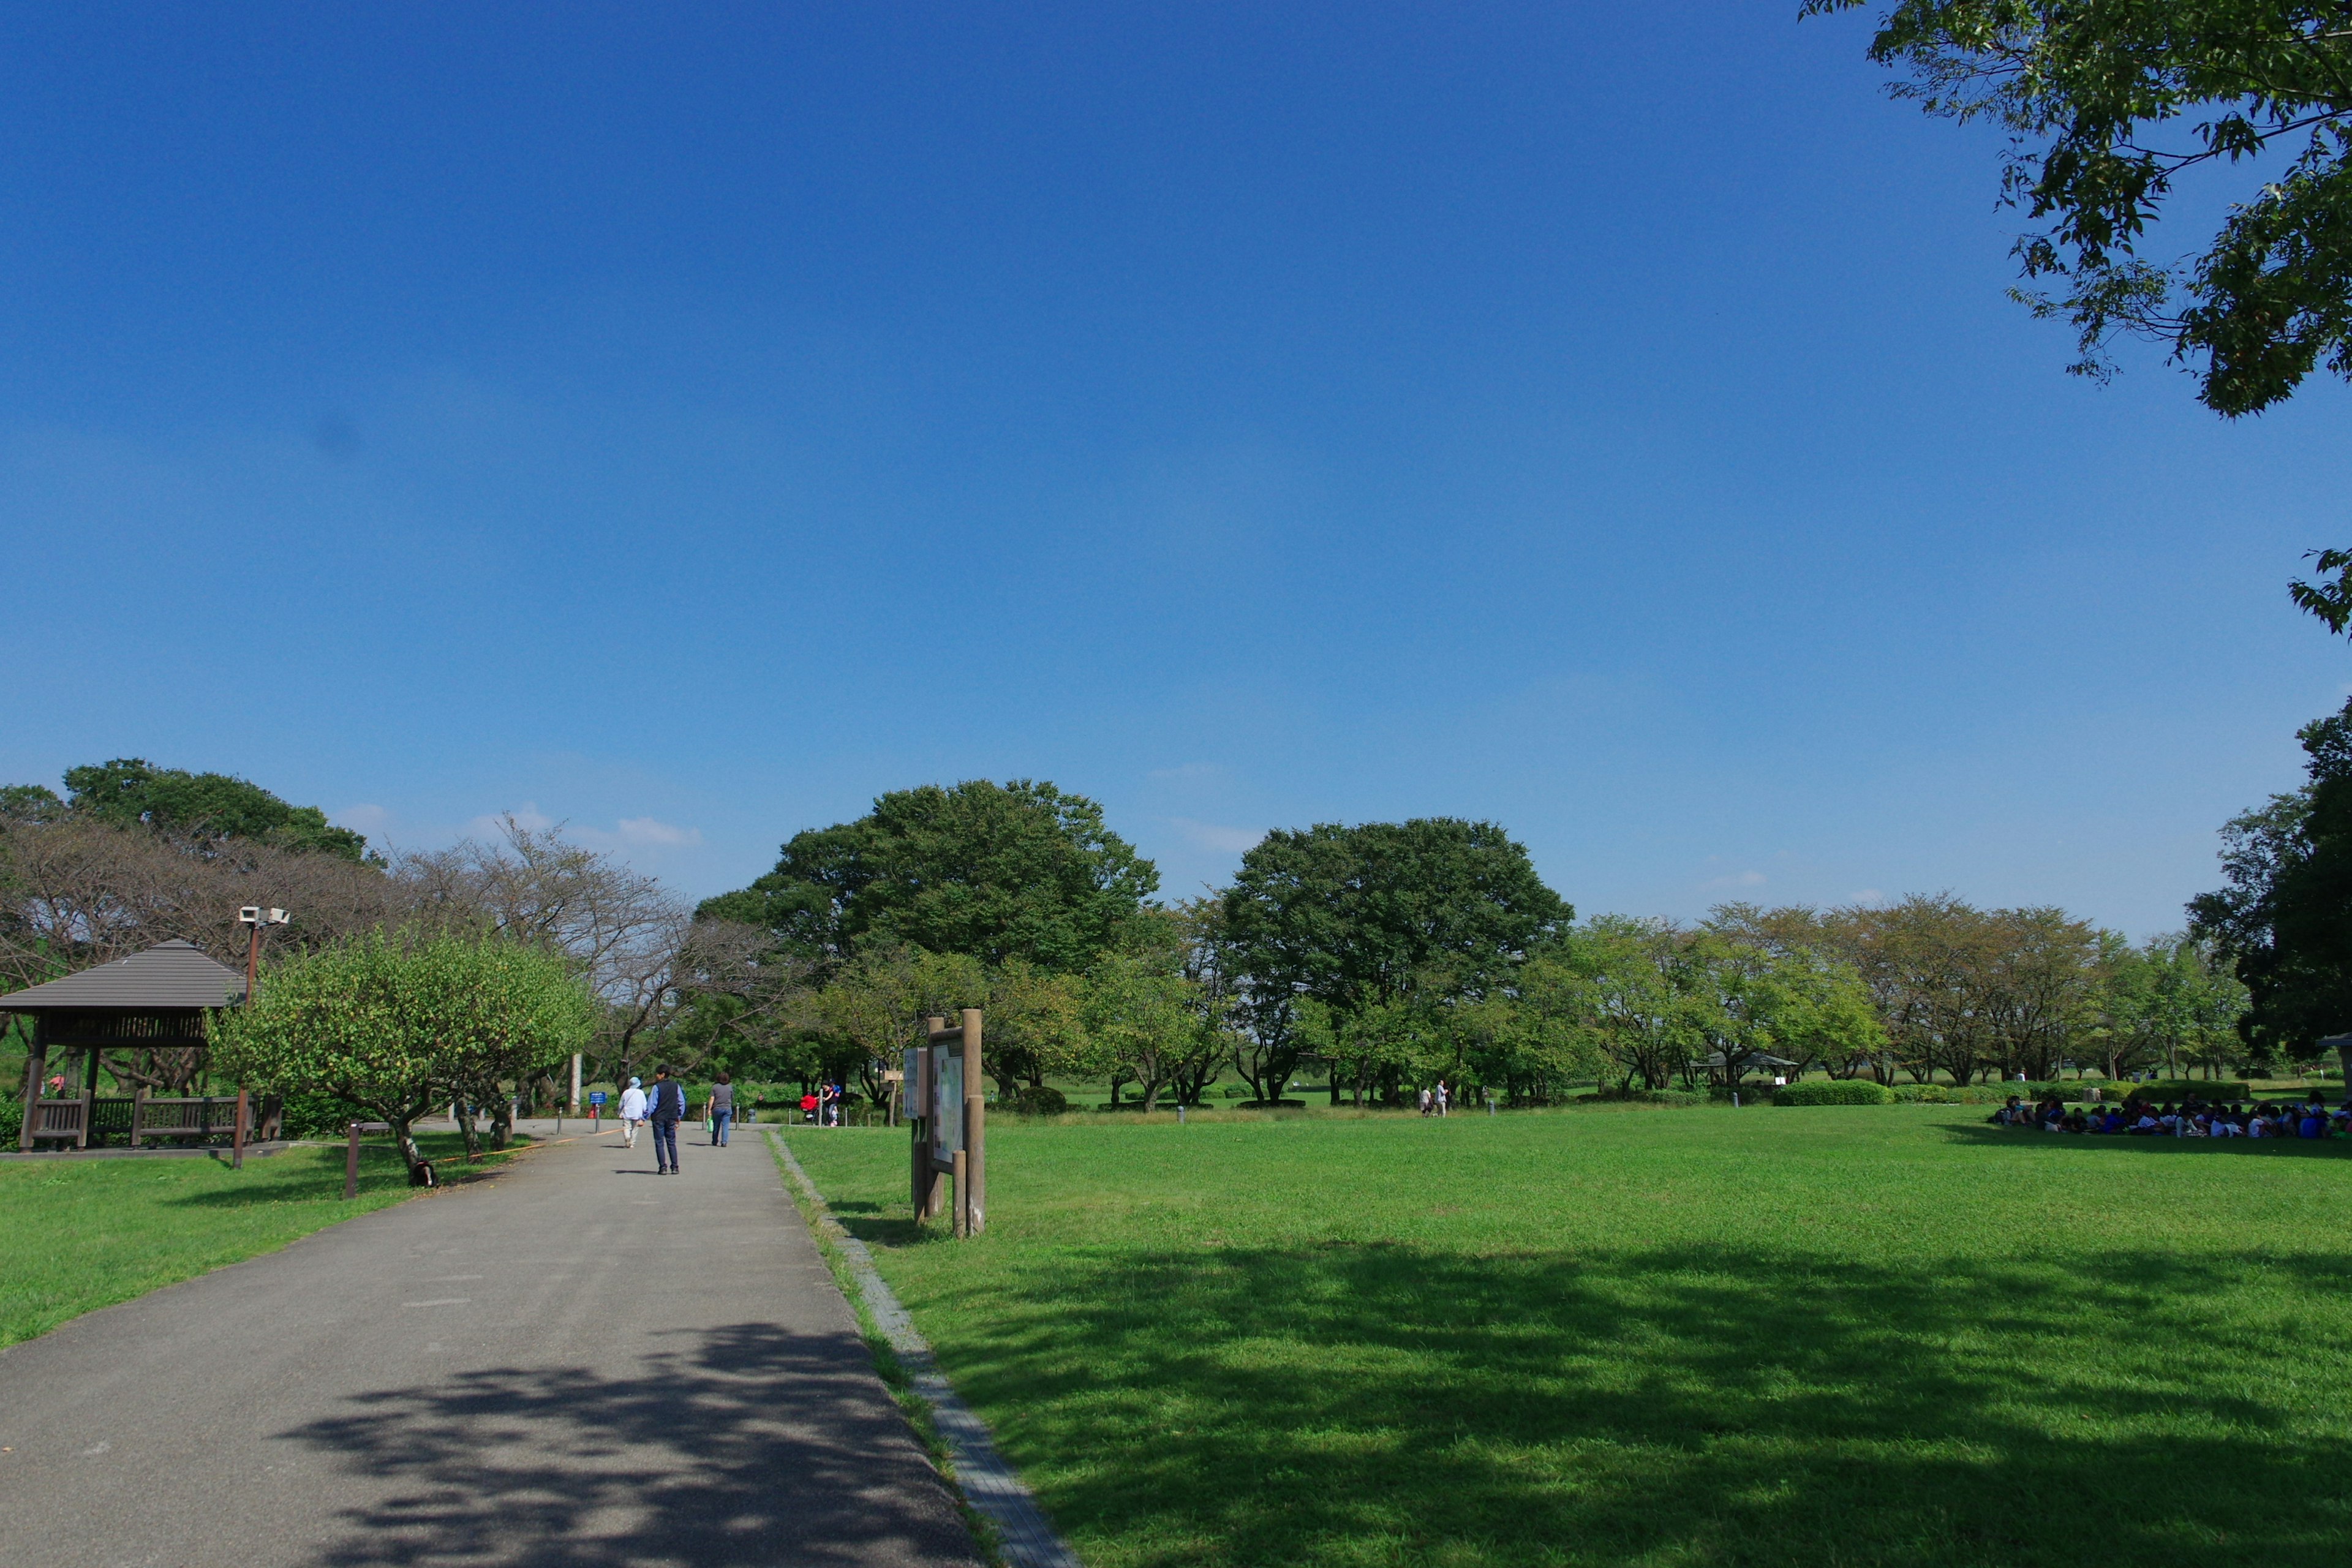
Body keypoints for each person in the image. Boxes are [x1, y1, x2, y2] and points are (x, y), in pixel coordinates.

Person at [649, 1065, 687, 1174]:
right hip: (671, 1117)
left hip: (659, 1118)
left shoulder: (657, 1087)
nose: (656, 1076)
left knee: (659, 1142)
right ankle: (675, 1167)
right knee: (671, 1142)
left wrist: (643, 1117)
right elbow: (681, 1102)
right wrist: (679, 1116)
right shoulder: (676, 1086)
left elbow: (652, 1105)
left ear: (663, 1075)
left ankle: (663, 1167)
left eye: (658, 1074)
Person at [618, 1076, 647, 1148]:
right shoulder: (641, 1093)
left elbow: (621, 1104)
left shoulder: (626, 1092)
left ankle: (627, 1137)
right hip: (637, 1113)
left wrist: (619, 1112)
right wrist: (645, 1113)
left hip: (627, 1113)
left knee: (627, 1127)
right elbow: (645, 1105)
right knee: (635, 1128)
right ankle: (632, 1143)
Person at [708, 1073, 734, 1148]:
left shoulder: (715, 1087)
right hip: (727, 1109)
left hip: (717, 1109)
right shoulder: (730, 1087)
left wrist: (709, 1109)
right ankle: (724, 1142)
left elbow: (712, 1099)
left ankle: (715, 1141)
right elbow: (732, 1098)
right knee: (725, 1126)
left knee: (716, 1126)